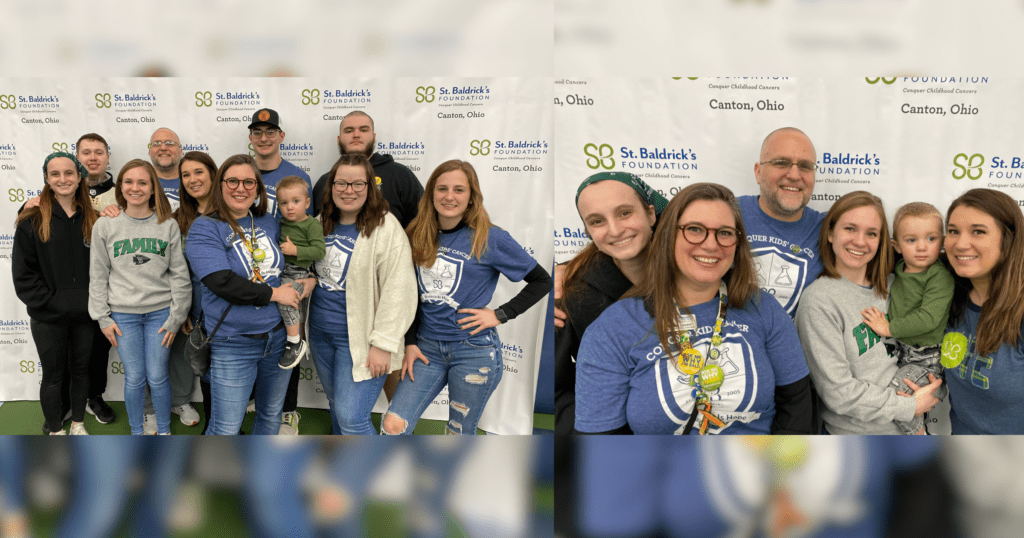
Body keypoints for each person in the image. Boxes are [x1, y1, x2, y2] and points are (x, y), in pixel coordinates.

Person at [574, 183, 814, 435]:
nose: (711, 245)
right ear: (669, 235)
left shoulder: (763, 308)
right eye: (695, 230)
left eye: (724, 232)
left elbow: (796, 407)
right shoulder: (612, 329)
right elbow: (603, 444)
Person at [381, 160, 552, 435]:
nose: (450, 196)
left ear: (471, 197)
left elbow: (542, 281)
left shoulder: (490, 238)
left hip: (473, 351)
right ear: (431, 194)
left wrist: (500, 314)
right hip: (425, 348)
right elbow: (408, 295)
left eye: (459, 190)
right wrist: (410, 342)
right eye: (442, 188)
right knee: (393, 424)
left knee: (457, 433)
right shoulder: (415, 234)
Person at [795, 191, 943, 435]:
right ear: (831, 233)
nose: (860, 241)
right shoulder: (819, 301)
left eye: (871, 233)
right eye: (850, 229)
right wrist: (909, 405)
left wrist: (932, 390)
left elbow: (932, 353)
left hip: (915, 430)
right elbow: (838, 394)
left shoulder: (897, 286)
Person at [310, 110, 426, 416]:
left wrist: (384, 343)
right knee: (338, 408)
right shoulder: (320, 222)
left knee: (351, 417)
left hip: (362, 336)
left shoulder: (387, 228)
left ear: (370, 187)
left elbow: (399, 288)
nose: (349, 191)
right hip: (322, 333)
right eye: (341, 184)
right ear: (330, 187)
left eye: (358, 185)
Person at [185, 154, 301, 435]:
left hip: (277, 339)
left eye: (249, 182)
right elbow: (221, 282)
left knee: (271, 416)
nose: (241, 188)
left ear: (258, 188)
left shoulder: (268, 222)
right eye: (233, 181)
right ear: (220, 185)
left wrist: (305, 281)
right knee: (225, 428)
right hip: (232, 342)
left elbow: (282, 266)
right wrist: (275, 295)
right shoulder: (205, 227)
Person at [553, 172, 666, 435]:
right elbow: (559, 390)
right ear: (587, 231)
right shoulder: (570, 292)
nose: (615, 230)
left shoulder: (693, 274)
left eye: (625, 213)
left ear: (651, 214)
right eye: (597, 221)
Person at [22, 133, 120, 427]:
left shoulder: (122, 193)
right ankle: (62, 405)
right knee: (62, 357)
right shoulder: (45, 202)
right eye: (86, 152)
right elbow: (32, 243)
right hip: (60, 300)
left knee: (96, 354)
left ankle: (94, 397)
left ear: (107, 156)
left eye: (98, 152)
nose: (93, 157)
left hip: (102, 294)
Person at [88, 160, 191, 435]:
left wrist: (176, 316)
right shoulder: (105, 225)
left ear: (152, 187)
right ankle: (137, 431)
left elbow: (180, 275)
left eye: (142, 182)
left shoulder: (167, 224)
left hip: (160, 313)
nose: (136, 188)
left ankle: (165, 431)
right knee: (134, 377)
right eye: (129, 182)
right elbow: (98, 275)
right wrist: (102, 318)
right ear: (120, 186)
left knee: (157, 377)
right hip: (122, 316)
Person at [12, 152, 99, 435]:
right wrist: (50, 303)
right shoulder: (32, 220)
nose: (63, 179)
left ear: (79, 177)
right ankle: (54, 428)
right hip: (48, 317)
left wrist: (92, 303)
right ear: (47, 179)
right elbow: (23, 275)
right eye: (55, 174)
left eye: (69, 173)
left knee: (82, 372)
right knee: (53, 376)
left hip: (86, 315)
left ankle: (76, 423)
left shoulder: (93, 218)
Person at [860, 202, 953, 434]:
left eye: (931, 239)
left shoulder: (939, 277)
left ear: (941, 242)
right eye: (911, 240)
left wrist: (889, 328)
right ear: (897, 246)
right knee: (888, 394)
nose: (922, 247)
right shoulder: (899, 269)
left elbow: (928, 318)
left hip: (926, 358)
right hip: (903, 353)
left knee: (896, 399)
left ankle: (919, 435)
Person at [942, 188, 1024, 434]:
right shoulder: (950, 296)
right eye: (953, 231)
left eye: (978, 231)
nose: (960, 243)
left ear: (1008, 239)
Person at [169, 151, 219, 434]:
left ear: (212, 174)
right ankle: (213, 426)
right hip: (197, 305)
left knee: (229, 367)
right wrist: (185, 309)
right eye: (185, 175)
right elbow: (177, 271)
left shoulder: (232, 212)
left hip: (231, 305)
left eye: (198, 172)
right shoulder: (178, 219)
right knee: (207, 369)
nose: (192, 179)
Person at [274, 175, 325, 369]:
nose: (290, 207)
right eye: (284, 203)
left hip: (300, 273)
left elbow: (319, 251)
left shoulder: (311, 224)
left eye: (296, 201)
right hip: (282, 272)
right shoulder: (280, 223)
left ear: (307, 202)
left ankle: (295, 342)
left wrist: (296, 251)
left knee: (286, 302)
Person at [246, 108, 312, 218]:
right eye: (257, 133)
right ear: (251, 138)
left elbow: (306, 225)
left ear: (281, 137)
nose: (263, 139)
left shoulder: (299, 177)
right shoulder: (240, 174)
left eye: (270, 132)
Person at [148, 127, 183, 210]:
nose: (163, 148)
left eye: (169, 143)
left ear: (180, 152)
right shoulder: (137, 183)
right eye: (157, 144)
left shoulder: (193, 182)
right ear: (149, 152)